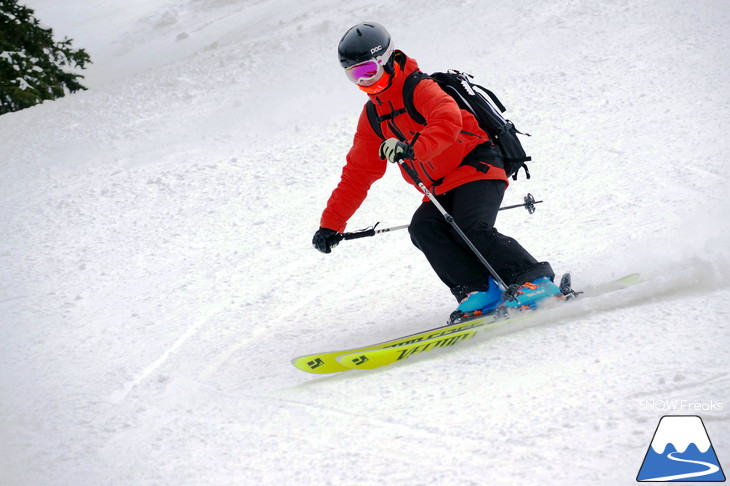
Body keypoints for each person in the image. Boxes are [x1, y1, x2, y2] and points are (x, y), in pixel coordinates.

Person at [312, 22, 561, 322]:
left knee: (472, 227)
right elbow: (357, 174)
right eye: (354, 75)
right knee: (423, 228)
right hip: (440, 186)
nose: (364, 81)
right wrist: (332, 224)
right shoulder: (373, 116)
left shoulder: (420, 88)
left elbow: (447, 120)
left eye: (368, 71)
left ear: (387, 60)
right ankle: (480, 291)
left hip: (477, 165)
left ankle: (535, 281)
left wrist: (412, 147)